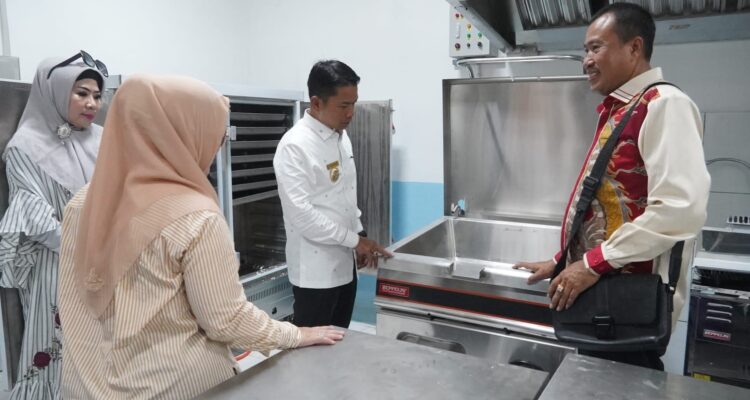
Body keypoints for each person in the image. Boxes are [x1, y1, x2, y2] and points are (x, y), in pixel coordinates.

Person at [57, 74, 344, 399]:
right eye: (213, 137)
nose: (214, 149)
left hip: (86, 387)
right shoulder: (194, 216)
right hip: (169, 388)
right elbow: (226, 320)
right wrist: (295, 335)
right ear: (179, 136)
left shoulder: (83, 202)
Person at [514, 3, 710, 370]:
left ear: (634, 48)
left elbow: (680, 209)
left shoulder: (664, 105)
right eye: (585, 50)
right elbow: (611, 207)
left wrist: (590, 264)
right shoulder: (625, 108)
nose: (586, 61)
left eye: (596, 48)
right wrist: (563, 260)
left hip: (625, 309)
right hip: (603, 299)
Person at [0, 54, 106, 399]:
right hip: (57, 264)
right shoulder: (25, 146)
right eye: (81, 93)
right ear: (56, 92)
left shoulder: (103, 139)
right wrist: (84, 247)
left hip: (106, 258)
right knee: (57, 347)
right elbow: (35, 217)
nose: (92, 104)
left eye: (97, 95)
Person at [273, 60, 392, 328]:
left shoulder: (341, 136)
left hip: (345, 267)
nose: (351, 113)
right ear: (316, 103)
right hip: (315, 275)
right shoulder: (294, 146)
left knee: (341, 341)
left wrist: (359, 233)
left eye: (354, 104)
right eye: (343, 106)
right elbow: (302, 216)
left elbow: (344, 193)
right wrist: (355, 241)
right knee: (313, 349)